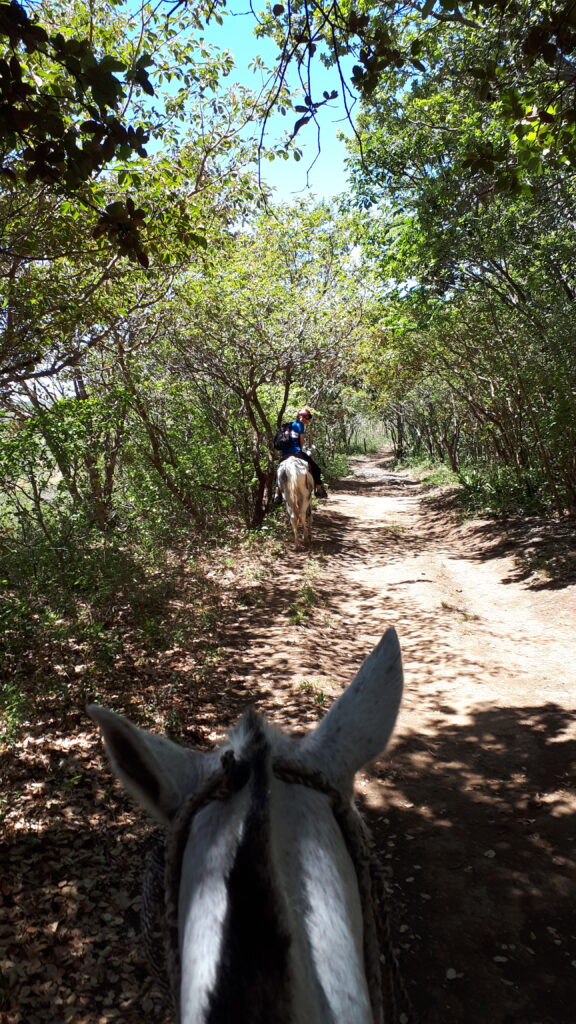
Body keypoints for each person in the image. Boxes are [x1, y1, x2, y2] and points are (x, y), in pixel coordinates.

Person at [273, 407, 328, 505]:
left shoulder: (287, 425)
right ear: (300, 416)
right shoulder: (300, 425)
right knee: (316, 468)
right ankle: (318, 488)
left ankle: (277, 494)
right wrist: (301, 449)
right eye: (306, 417)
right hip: (297, 453)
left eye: (307, 417)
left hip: (284, 454)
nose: (306, 419)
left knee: (278, 471)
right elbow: (301, 442)